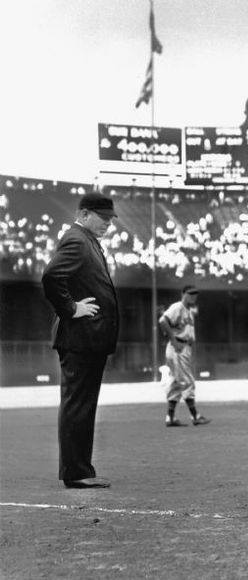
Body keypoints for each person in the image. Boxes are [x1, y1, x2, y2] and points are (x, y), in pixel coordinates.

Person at [42, 192, 120, 489]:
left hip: (88, 339)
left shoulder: (86, 240)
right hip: (80, 338)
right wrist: (72, 308)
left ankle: (79, 469)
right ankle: (76, 472)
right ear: (85, 214)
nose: (108, 224)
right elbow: (51, 276)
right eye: (103, 218)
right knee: (78, 406)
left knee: (82, 406)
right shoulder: (77, 239)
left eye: (110, 219)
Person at [158, 285, 211, 427]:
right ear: (183, 294)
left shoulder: (188, 311)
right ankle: (195, 416)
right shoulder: (178, 307)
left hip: (181, 347)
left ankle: (170, 418)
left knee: (176, 383)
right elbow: (163, 321)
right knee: (187, 381)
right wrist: (174, 341)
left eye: (195, 294)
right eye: (190, 293)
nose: (193, 296)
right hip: (178, 347)